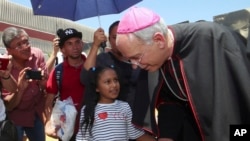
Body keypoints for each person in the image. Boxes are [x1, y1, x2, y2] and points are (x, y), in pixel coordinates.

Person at [115, 7, 250, 141]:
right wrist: (166, 136)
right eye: (130, 60)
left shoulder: (214, 39)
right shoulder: (158, 60)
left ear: (159, 40)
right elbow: (171, 100)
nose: (135, 65)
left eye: (137, 57)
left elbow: (239, 102)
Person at [81, 21, 152, 137]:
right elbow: (86, 78)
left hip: (142, 124)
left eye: (124, 37)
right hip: (115, 127)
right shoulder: (103, 59)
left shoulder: (142, 59)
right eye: (115, 37)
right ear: (109, 39)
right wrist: (95, 45)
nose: (119, 41)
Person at [76, 65, 155, 141]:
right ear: (97, 88)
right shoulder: (88, 109)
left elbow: (136, 134)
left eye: (115, 80)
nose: (114, 85)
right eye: (108, 82)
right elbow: (82, 138)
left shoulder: (124, 107)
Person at [1, 27, 48, 141]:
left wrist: (43, 81)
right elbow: (9, 105)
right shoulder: (4, 66)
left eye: (26, 42)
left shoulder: (37, 54)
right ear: (9, 50)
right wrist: (20, 89)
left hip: (36, 113)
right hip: (16, 117)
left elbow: (45, 85)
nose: (26, 47)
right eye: (19, 45)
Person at [45, 28, 87, 141]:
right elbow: (48, 102)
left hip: (92, 127)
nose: (75, 47)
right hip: (66, 130)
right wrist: (49, 123)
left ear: (82, 44)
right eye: (69, 43)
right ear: (63, 50)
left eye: (77, 42)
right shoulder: (58, 71)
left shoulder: (92, 67)